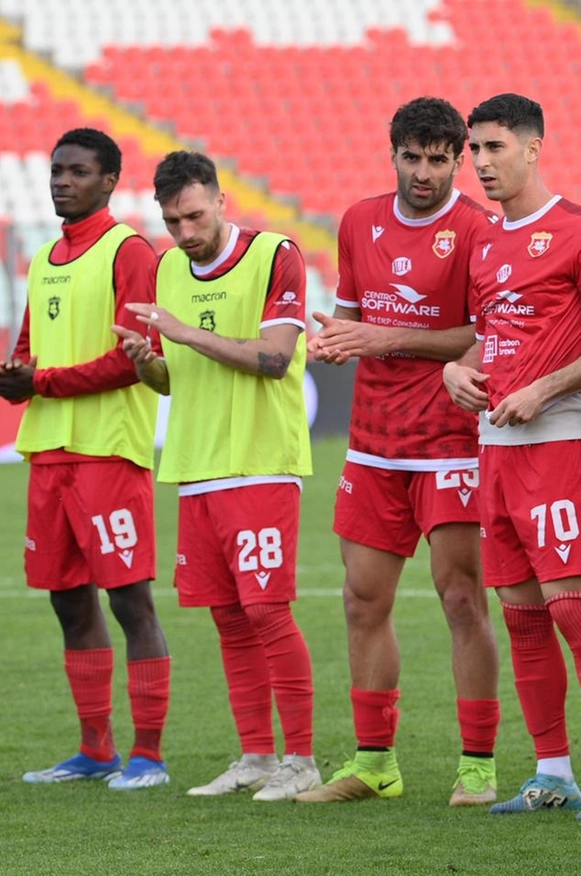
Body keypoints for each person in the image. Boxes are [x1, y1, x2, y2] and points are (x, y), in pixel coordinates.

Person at [292, 97, 502, 806]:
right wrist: (334, 340)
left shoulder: (477, 228)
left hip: (450, 437)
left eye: (438, 159)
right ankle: (375, 762)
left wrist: (382, 338)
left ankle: (477, 765)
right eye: (411, 157)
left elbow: (483, 335)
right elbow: (353, 312)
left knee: (461, 597)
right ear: (394, 155)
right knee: (360, 600)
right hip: (374, 441)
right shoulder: (358, 220)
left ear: (457, 160)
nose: (423, 172)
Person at [441, 93, 581, 820]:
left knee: (573, 610)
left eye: (495, 148)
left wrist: (544, 389)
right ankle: (552, 770)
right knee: (523, 618)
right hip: (495, 448)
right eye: (475, 151)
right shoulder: (487, 241)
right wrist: (453, 371)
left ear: (532, 148)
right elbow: (488, 336)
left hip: (560, 443)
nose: (483, 164)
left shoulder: (580, 229)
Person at [114, 150, 319, 801]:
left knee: (268, 611)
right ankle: (257, 755)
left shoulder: (275, 254)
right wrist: (148, 358)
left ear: (222, 200)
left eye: (195, 216)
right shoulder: (170, 267)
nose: (184, 232)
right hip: (196, 467)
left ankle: (303, 759)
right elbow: (172, 378)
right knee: (228, 619)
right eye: (173, 221)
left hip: (259, 461)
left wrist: (179, 329)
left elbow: (274, 358)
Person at [3, 128, 171, 791]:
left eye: (76, 172)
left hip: (109, 454)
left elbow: (133, 358)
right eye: (55, 171)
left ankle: (149, 757)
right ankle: (95, 750)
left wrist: (39, 383)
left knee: (131, 602)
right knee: (68, 603)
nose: (60, 180)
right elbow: (28, 343)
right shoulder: (45, 256)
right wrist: (15, 372)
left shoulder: (130, 252)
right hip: (49, 453)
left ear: (108, 182)